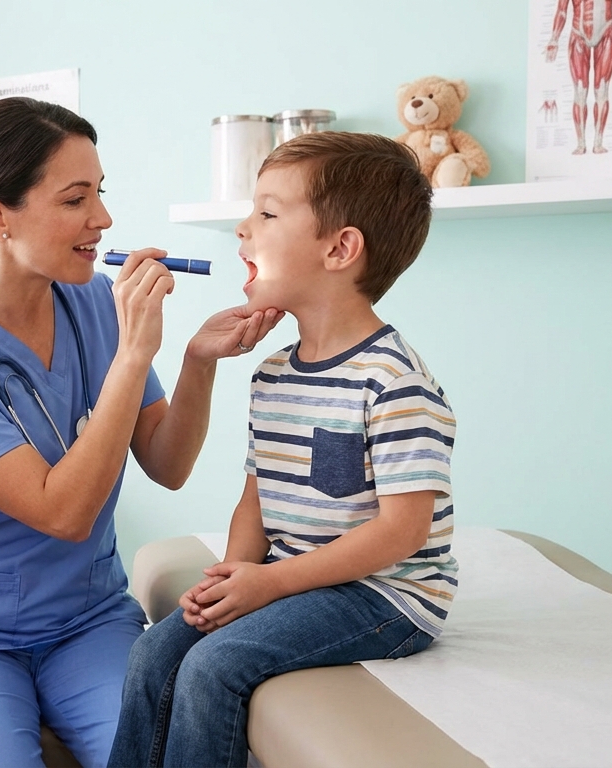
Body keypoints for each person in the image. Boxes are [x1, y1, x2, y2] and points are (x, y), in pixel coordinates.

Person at [0, 96, 284, 768]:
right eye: (75, 200)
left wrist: (194, 361)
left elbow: (167, 462)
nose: (103, 219)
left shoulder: (96, 303)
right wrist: (133, 355)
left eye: (100, 193)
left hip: (85, 622)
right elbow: (63, 513)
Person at [108, 132, 459, 767]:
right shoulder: (273, 373)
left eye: (267, 214)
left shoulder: (394, 382)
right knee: (155, 650)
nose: (243, 229)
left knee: (217, 665)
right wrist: (229, 578)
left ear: (340, 248)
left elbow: (403, 533)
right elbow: (257, 500)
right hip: (300, 581)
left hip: (385, 595)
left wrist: (269, 583)